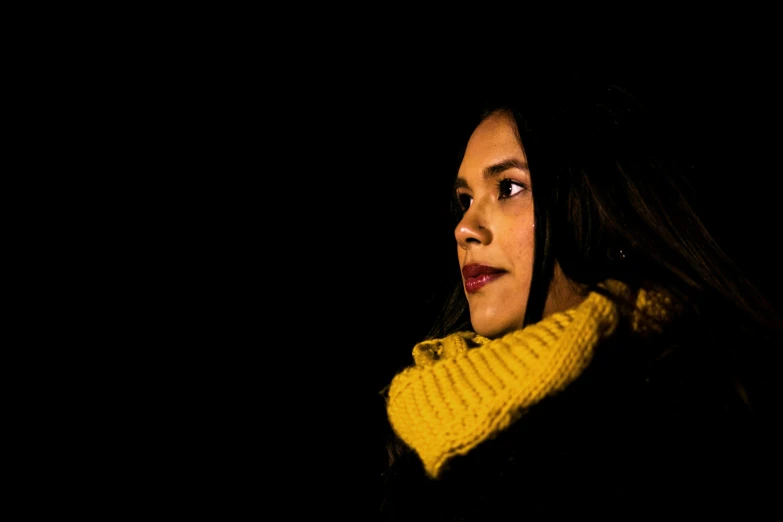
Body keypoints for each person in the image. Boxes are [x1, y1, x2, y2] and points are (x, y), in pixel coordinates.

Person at [377, 73, 782, 519]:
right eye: (465, 199)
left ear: (602, 208)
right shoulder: (416, 415)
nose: (464, 229)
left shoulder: (701, 412)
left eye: (508, 187)